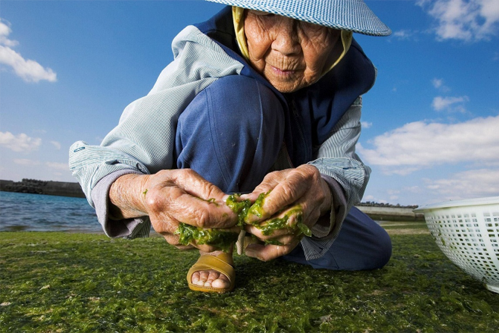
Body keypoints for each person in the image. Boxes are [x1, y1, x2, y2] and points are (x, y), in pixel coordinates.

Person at [69, 0, 393, 293]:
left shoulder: (346, 78)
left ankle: (267, 236)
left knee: (373, 249)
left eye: (313, 26)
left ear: (340, 37)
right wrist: (141, 191)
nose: (286, 46)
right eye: (267, 15)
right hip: (215, 188)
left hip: (285, 204)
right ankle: (217, 246)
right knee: (240, 101)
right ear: (241, 15)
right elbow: (108, 162)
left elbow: (341, 164)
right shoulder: (204, 53)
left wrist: (322, 193)